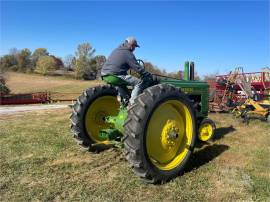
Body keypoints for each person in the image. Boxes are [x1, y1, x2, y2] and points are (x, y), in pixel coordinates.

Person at [101, 37, 152, 105]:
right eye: (135, 46)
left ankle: (125, 100)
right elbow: (137, 68)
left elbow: (118, 66)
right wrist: (147, 74)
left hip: (104, 74)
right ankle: (132, 104)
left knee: (123, 84)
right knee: (139, 83)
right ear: (131, 45)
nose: (134, 49)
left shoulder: (117, 50)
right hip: (114, 75)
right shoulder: (128, 53)